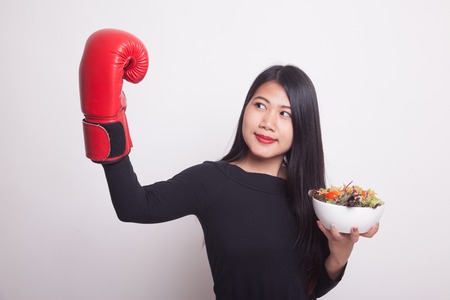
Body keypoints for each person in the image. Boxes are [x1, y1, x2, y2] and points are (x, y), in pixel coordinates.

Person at [79, 29, 378, 300]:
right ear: (245, 109)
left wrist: (339, 256)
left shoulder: (311, 195)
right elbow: (134, 206)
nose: (268, 123)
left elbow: (306, 289)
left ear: (303, 126)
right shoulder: (210, 181)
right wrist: (109, 124)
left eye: (285, 114)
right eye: (260, 105)